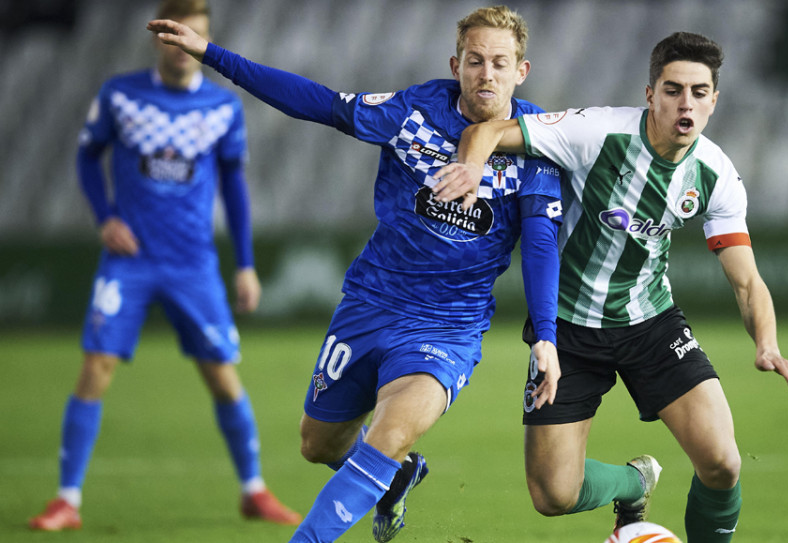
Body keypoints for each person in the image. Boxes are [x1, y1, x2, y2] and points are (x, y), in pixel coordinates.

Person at [149, 5, 572, 543]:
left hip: (446, 326)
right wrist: (213, 55)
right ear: (456, 64)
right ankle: (394, 484)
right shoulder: (412, 111)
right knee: (318, 445)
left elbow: (539, 243)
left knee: (390, 432)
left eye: (499, 63)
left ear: (522, 70)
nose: (486, 73)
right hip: (371, 303)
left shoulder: (538, 144)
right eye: (475, 61)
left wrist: (546, 338)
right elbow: (319, 104)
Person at [434, 31, 788, 542]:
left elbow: (746, 282)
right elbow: (487, 131)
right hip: (566, 330)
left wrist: (767, 344)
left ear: (714, 101)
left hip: (651, 323)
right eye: (673, 89)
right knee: (552, 496)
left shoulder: (715, 175)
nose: (686, 103)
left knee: (722, 461)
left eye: (699, 92)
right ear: (650, 94)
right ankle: (634, 482)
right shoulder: (597, 132)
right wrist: (471, 171)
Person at [28, 0, 302, 532]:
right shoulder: (121, 95)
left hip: (193, 265)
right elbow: (87, 156)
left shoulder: (223, 109)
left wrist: (245, 265)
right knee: (96, 367)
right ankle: (67, 499)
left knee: (222, 377)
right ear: (158, 39)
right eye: (176, 37)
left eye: (194, 37)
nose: (183, 48)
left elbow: (234, 189)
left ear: (204, 40)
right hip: (127, 261)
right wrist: (105, 216)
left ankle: (253, 490)